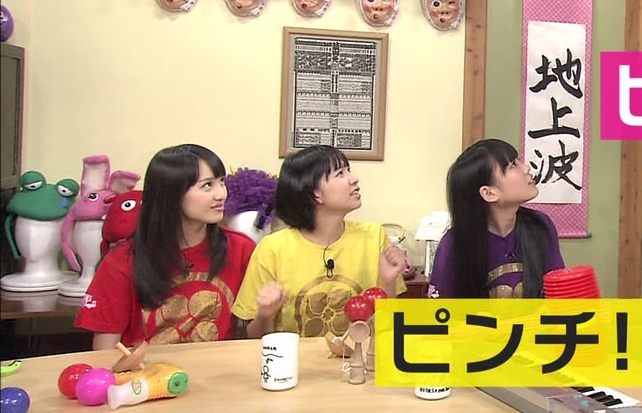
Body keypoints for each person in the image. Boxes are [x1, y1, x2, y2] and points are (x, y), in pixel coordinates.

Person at [75, 144, 256, 349]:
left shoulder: (241, 248)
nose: (221, 194)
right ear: (172, 194)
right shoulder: (122, 260)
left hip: (217, 368)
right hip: (146, 369)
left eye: (221, 182)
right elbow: (104, 353)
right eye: (207, 185)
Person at [232, 145, 407, 339]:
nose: (354, 179)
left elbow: (387, 330)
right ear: (315, 194)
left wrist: (388, 282)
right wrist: (265, 315)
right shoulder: (272, 249)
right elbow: (253, 339)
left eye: (348, 170)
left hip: (358, 356)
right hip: (295, 358)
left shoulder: (374, 237)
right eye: (340, 174)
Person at [429, 139, 565, 299]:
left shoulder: (540, 225)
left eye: (518, 161)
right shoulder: (455, 244)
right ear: (489, 193)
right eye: (513, 165)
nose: (526, 168)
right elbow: (440, 310)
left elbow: (559, 293)